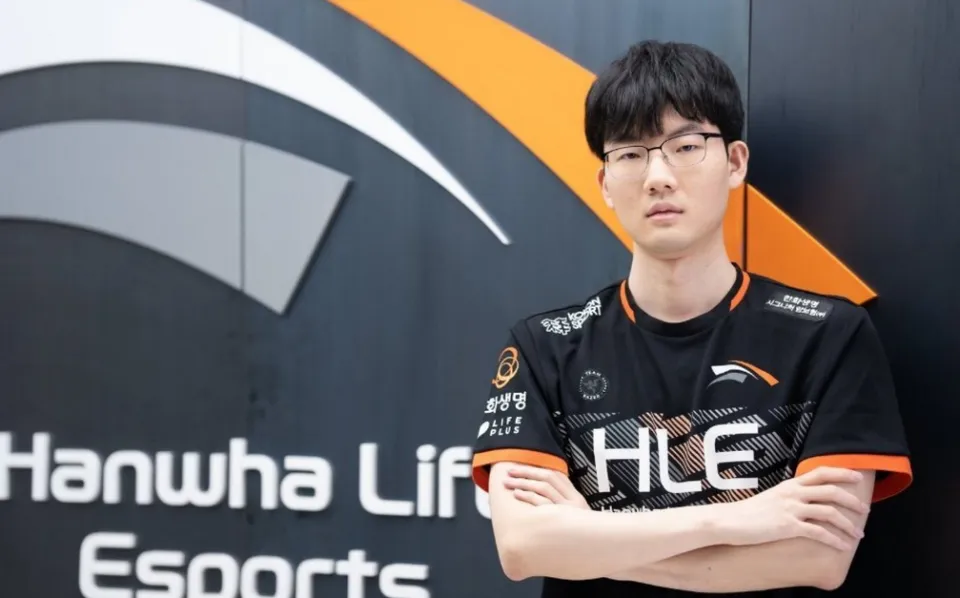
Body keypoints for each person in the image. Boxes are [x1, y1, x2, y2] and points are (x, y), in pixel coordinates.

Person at [469, 40, 912, 597]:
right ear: (605, 184)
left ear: (735, 162)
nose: (658, 175)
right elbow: (522, 548)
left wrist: (586, 539)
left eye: (685, 146)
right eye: (630, 153)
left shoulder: (827, 335)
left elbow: (818, 558)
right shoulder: (545, 347)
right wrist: (733, 520)